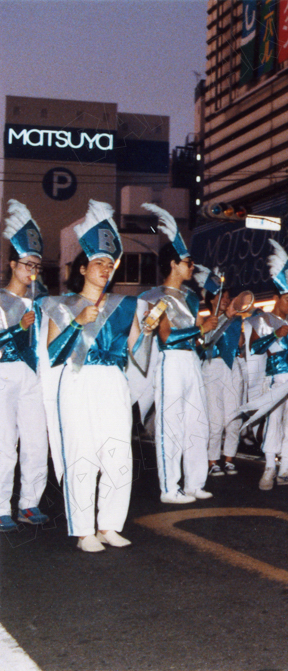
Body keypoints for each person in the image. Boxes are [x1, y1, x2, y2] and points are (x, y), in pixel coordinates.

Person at [45, 201, 148, 552]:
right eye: (99, 263)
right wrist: (77, 322)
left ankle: (109, 525)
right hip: (77, 380)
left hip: (112, 382)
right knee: (82, 454)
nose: (105, 269)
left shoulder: (125, 305)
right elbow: (53, 354)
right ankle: (84, 530)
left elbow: (140, 353)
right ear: (84, 267)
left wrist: (146, 331)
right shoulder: (62, 305)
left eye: (110, 264)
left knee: (118, 454)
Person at [138, 204, 217, 504]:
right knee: (170, 424)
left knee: (198, 422)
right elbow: (166, 335)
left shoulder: (191, 298)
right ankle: (169, 488)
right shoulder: (153, 296)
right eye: (187, 262)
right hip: (169, 362)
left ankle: (195, 483)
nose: (192, 267)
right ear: (173, 264)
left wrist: (208, 329)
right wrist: (199, 330)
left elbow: (199, 332)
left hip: (191, 361)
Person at [0, 200, 49, 531]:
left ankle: (29, 503)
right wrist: (19, 329)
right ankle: (1, 506)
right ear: (12, 263)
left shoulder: (43, 302)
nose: (32, 271)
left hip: (35, 377)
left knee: (36, 441)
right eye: (27, 264)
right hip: (4, 374)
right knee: (4, 443)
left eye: (37, 266)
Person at [247, 240, 288, 491]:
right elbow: (254, 347)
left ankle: (285, 469)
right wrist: (275, 335)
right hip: (277, 379)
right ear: (276, 298)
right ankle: (269, 468)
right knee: (275, 421)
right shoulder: (261, 319)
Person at [200, 285, 244, 477]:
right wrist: (223, 318)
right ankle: (212, 460)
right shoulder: (204, 321)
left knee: (233, 418)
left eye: (228, 296)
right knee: (215, 420)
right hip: (212, 368)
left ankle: (229, 458)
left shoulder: (236, 320)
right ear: (211, 300)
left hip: (233, 367)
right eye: (221, 296)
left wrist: (233, 321)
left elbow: (241, 343)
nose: (226, 299)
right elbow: (207, 341)